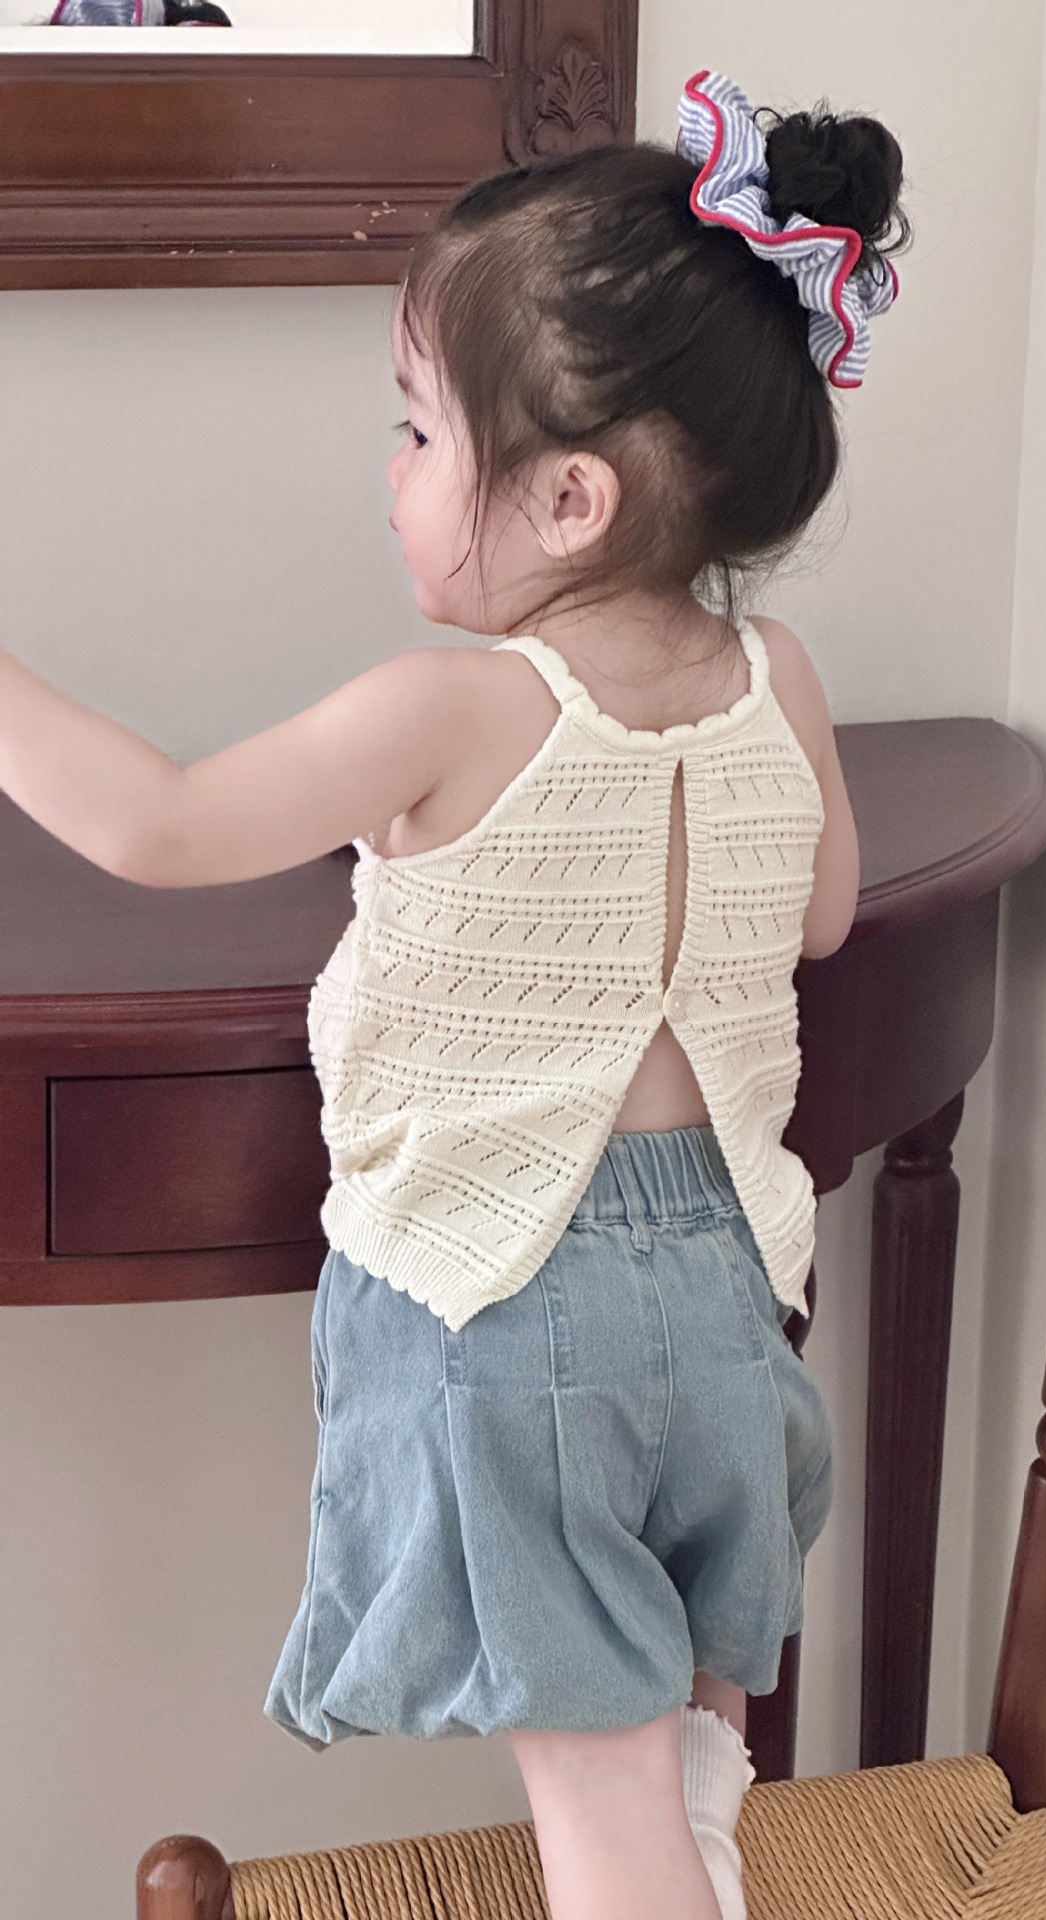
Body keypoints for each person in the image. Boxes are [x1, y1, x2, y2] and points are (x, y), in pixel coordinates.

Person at [0, 67, 906, 1920]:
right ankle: (699, 1852)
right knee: (682, 1713)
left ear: (567, 498)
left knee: (595, 1818)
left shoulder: (454, 713)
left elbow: (162, 825)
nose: (395, 473)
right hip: (728, 1301)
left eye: (418, 430)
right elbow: (822, 918)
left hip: (514, 1322)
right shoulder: (782, 676)